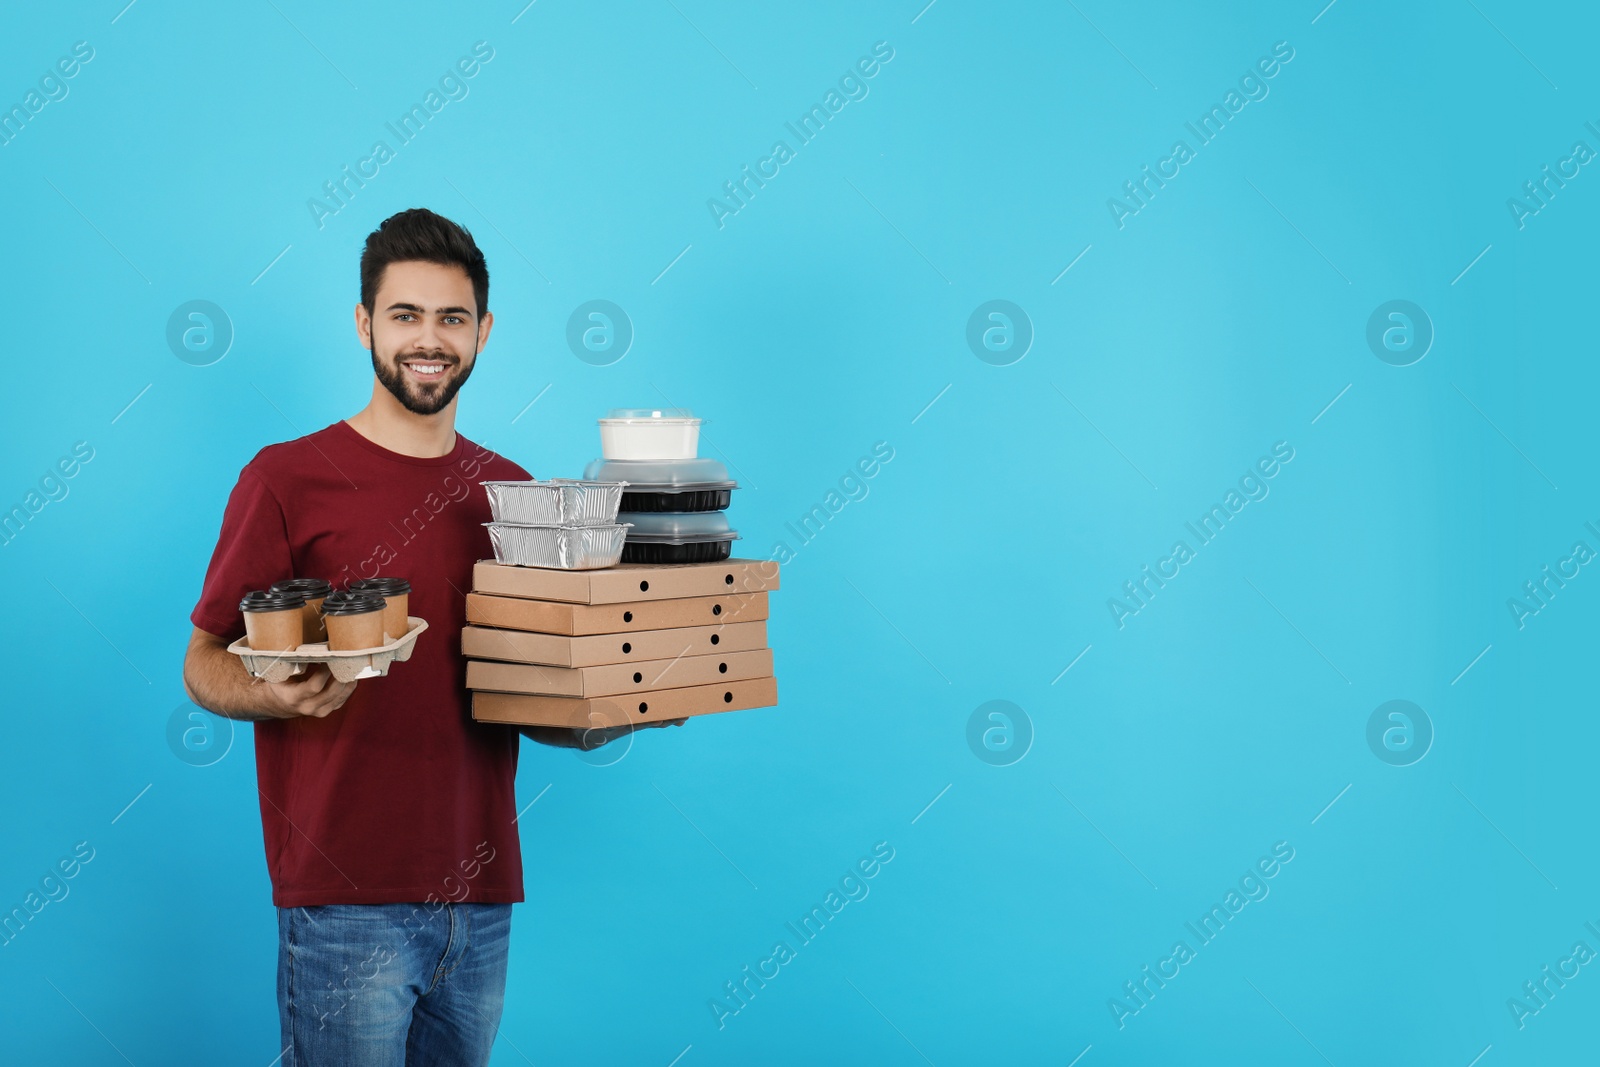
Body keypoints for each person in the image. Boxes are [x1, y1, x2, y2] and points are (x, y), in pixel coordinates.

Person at [182, 208, 676, 1065]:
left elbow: (538, 702)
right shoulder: (286, 477)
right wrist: (268, 690)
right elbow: (203, 662)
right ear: (365, 322)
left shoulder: (512, 493)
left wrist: (633, 694)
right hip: (344, 899)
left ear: (483, 331)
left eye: (451, 317)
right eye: (405, 315)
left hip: (481, 897)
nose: (429, 339)